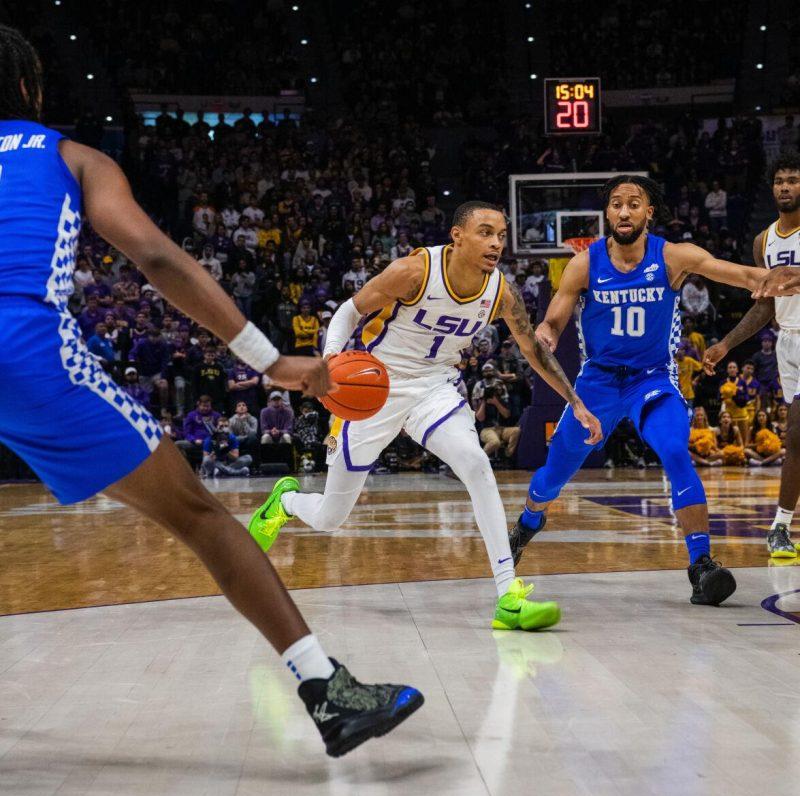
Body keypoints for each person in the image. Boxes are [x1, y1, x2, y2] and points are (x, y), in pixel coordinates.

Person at [0, 24, 422, 756]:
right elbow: (156, 256)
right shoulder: (70, 156)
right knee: (200, 516)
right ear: (32, 90)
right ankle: (327, 692)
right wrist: (267, 361)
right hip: (23, 350)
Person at [247, 201, 602, 632]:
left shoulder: (500, 292)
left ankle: (508, 596)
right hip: (375, 387)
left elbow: (533, 349)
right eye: (485, 232)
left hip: (435, 388)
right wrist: (329, 364)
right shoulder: (414, 272)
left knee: (476, 464)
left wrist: (575, 401)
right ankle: (284, 502)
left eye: (501, 235)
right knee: (329, 519)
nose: (496, 243)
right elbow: (349, 310)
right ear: (457, 236)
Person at [511, 174, 771, 608]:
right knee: (552, 478)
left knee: (674, 450)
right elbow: (554, 318)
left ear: (649, 212)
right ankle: (528, 521)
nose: (624, 211)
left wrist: (773, 277)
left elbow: (742, 274)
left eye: (634, 204)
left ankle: (701, 564)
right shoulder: (584, 263)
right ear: (607, 213)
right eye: (616, 204)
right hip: (597, 382)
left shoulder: (672, 256)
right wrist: (546, 331)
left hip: (652, 377)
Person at [704, 152, 800, 557]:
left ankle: (780, 524)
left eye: (793, 180)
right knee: (795, 438)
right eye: (780, 180)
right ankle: (779, 527)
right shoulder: (764, 241)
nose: (785, 186)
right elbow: (764, 305)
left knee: (797, 432)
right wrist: (726, 343)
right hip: (789, 342)